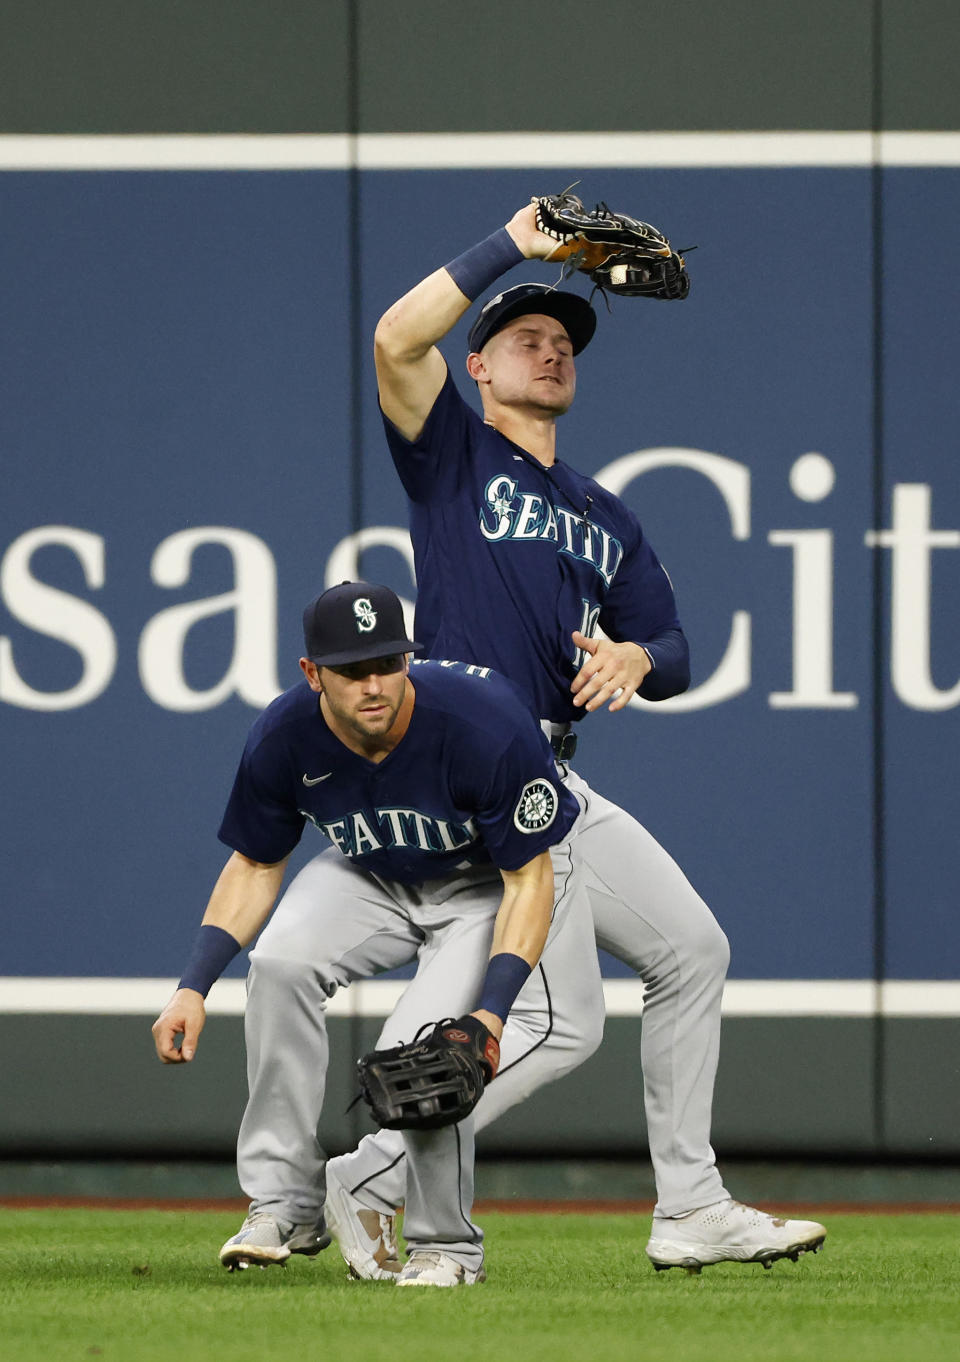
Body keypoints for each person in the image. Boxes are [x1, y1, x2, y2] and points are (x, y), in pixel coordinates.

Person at [323, 203, 826, 1275]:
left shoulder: (606, 511)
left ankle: (689, 1206)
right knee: (562, 1026)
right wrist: (512, 243)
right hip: (473, 765)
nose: (551, 348)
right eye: (524, 338)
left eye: (565, 341)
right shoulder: (450, 455)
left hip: (550, 774)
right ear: (481, 368)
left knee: (694, 951)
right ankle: (375, 1167)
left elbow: (677, 646)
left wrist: (640, 662)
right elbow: (392, 342)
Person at [151, 579, 602, 1286]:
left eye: (388, 664)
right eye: (353, 670)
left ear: (409, 659)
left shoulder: (481, 723)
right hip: (373, 874)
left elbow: (530, 879)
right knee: (280, 965)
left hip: (479, 885)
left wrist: (490, 1012)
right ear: (312, 674)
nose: (374, 684)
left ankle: (445, 1246)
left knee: (429, 1053)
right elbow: (255, 864)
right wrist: (192, 986)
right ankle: (284, 1202)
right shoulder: (284, 735)